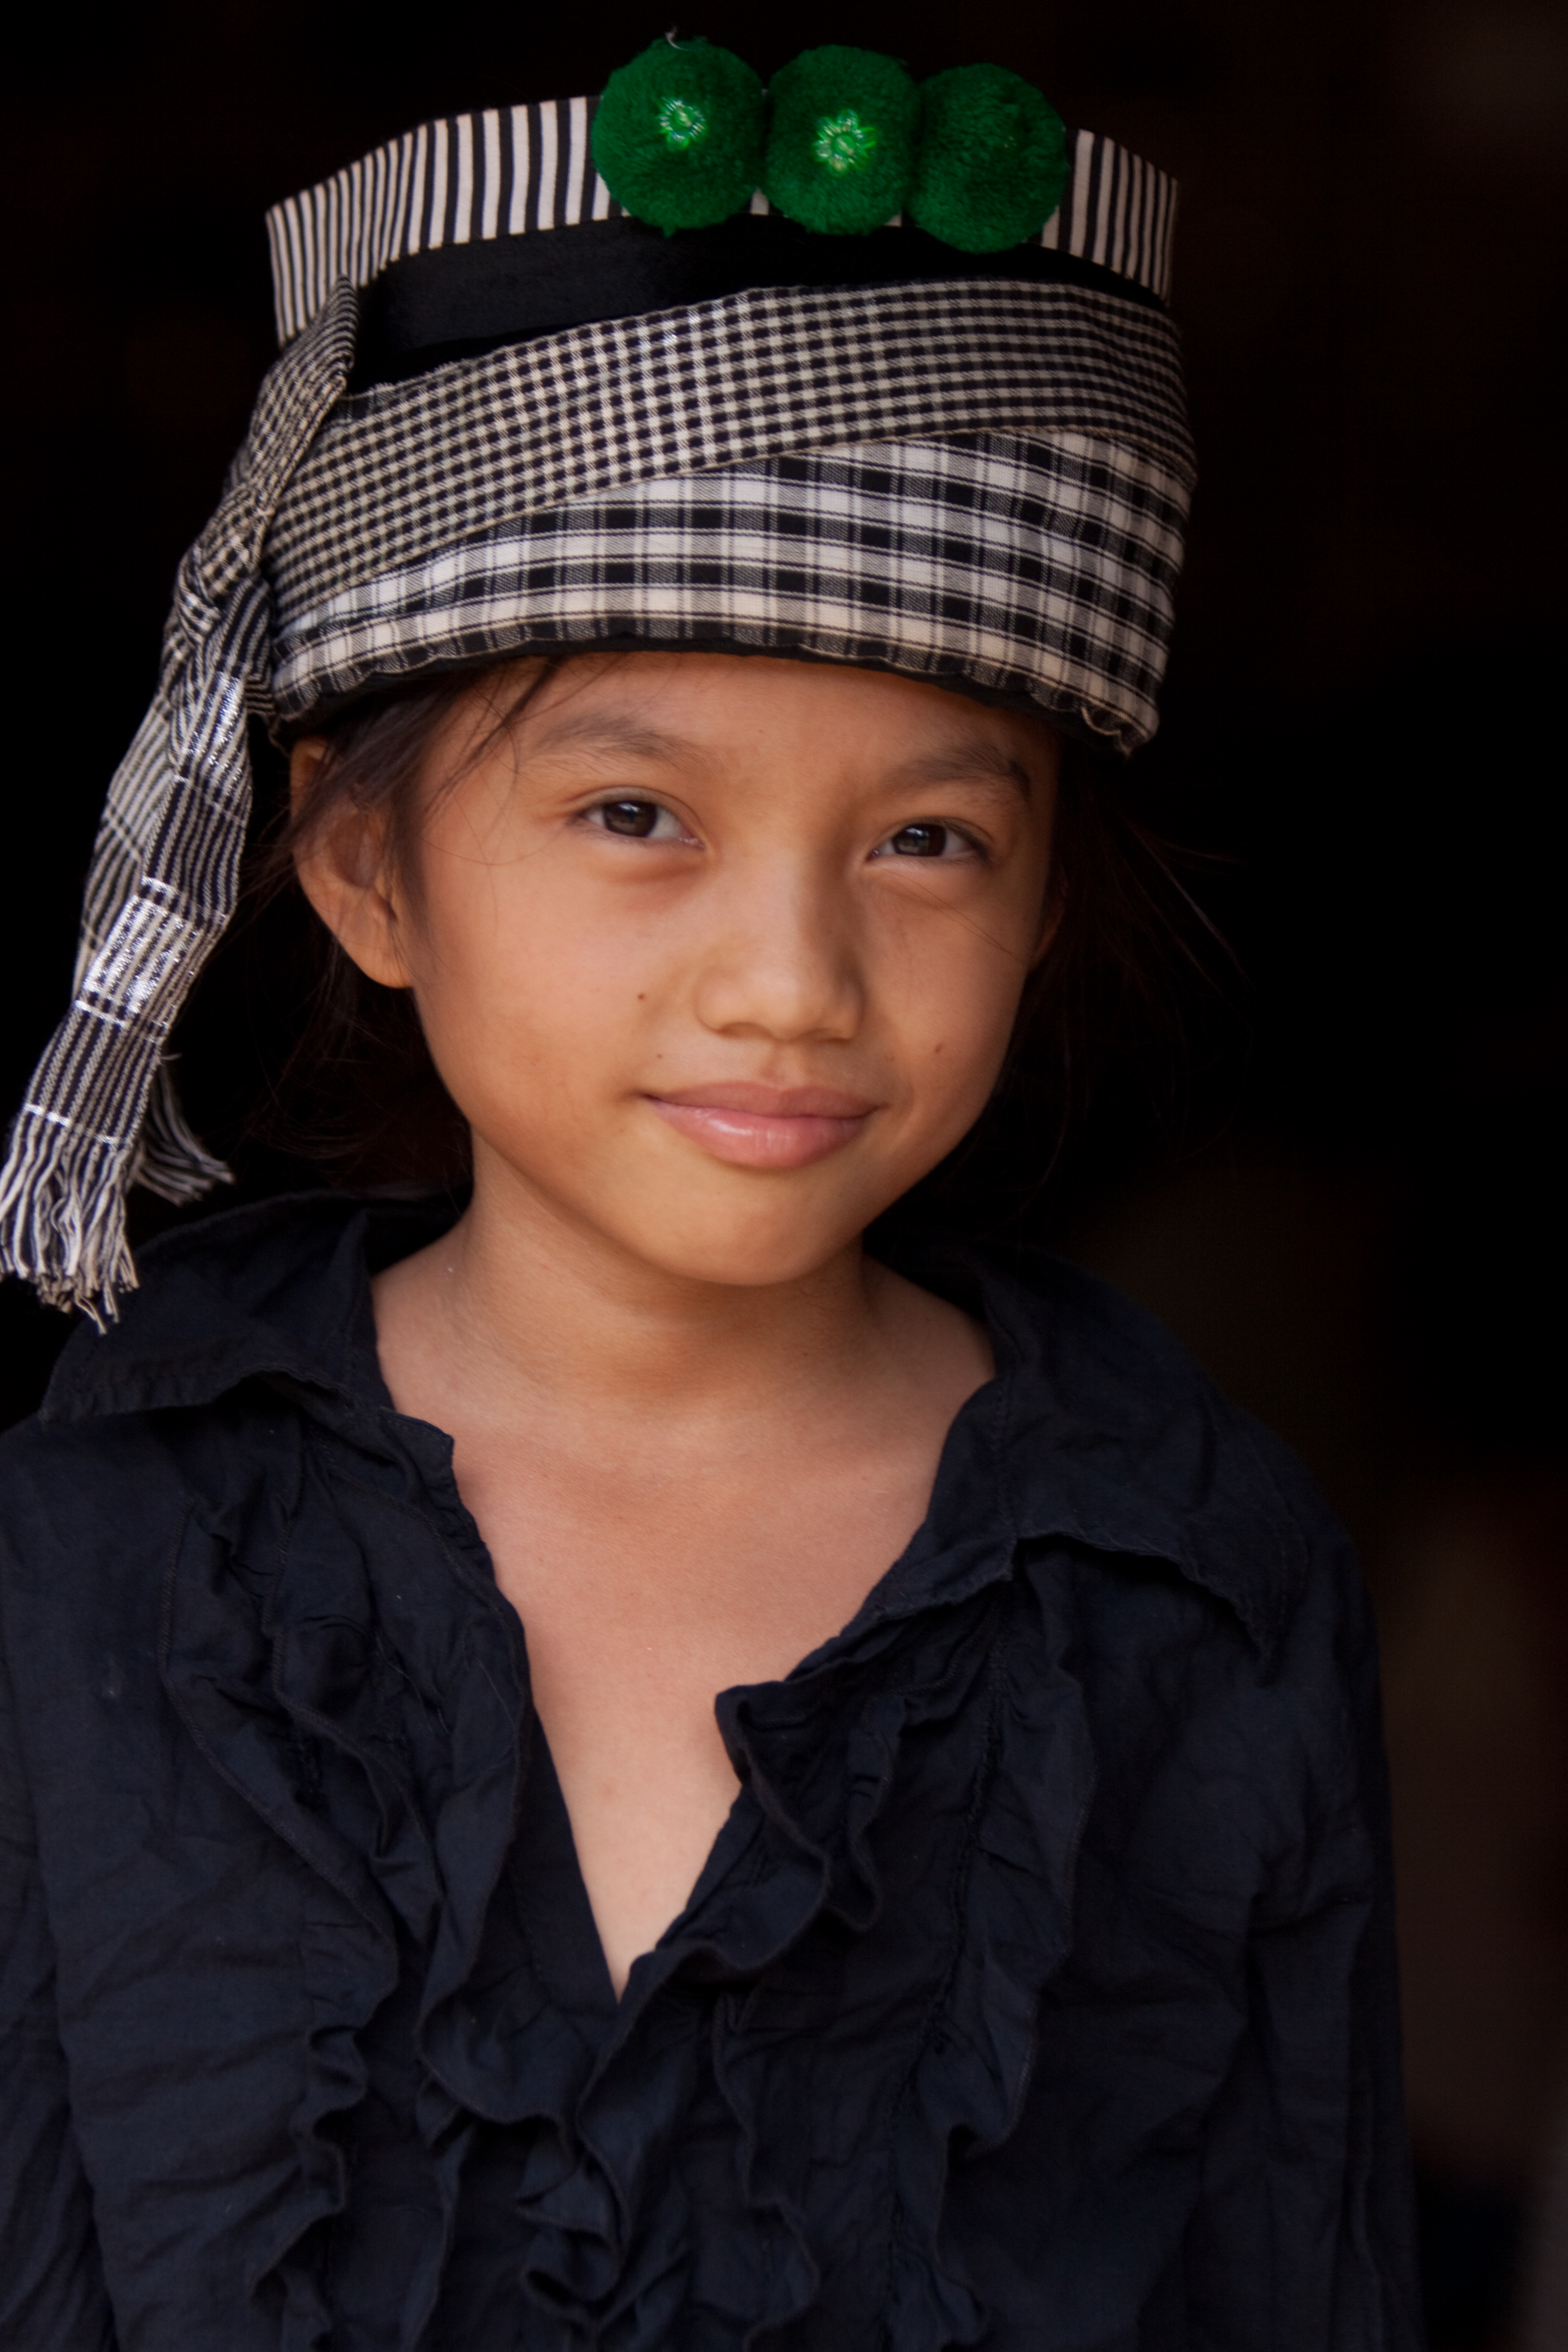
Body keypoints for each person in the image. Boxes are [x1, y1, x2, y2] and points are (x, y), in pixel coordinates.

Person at [0, 42, 1420, 2350]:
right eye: (636, 816)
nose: (792, 981)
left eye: (927, 839)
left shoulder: (1194, 1590)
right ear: (362, 863)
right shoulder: (116, 1538)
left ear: (1047, 900)